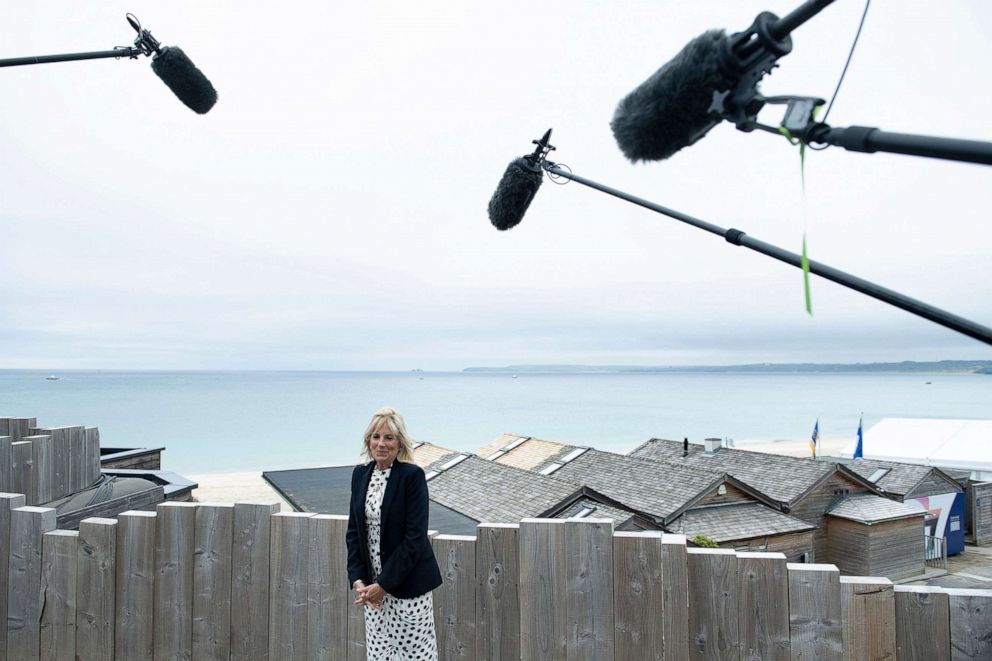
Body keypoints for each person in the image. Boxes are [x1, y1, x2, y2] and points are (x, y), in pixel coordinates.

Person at [346, 407, 442, 660]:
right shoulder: (360, 474)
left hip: (407, 585)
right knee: (379, 654)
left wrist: (385, 584)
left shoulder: (412, 476)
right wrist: (358, 579)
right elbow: (354, 531)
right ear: (368, 441)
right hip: (372, 590)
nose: (382, 443)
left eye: (389, 437)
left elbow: (416, 538)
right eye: (376, 437)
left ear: (400, 443)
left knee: (414, 656)